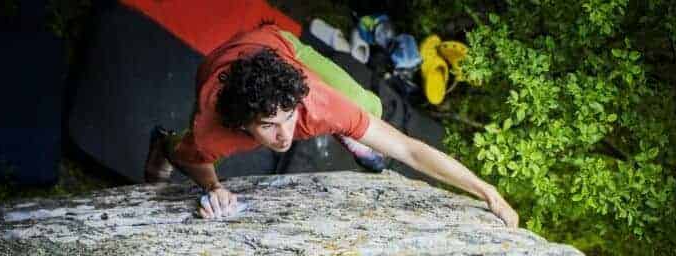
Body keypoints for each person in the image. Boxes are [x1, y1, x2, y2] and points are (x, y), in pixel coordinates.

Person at [145, 22, 519, 228]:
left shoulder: (314, 103)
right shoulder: (217, 126)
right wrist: (214, 187)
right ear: (245, 123)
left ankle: (347, 130)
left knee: (368, 106)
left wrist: (487, 191)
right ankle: (161, 142)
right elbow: (197, 161)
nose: (285, 135)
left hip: (279, 45)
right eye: (269, 126)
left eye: (289, 118)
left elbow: (408, 149)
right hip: (222, 70)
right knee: (185, 150)